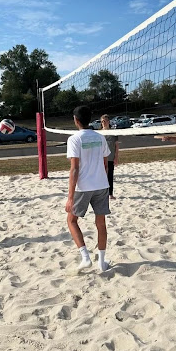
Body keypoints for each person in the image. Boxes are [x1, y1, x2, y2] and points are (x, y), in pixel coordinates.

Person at [65, 105, 111, 272]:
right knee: (101, 223)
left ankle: (85, 258)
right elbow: (105, 164)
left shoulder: (74, 139)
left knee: (71, 220)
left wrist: (70, 197)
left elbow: (74, 169)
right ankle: (102, 262)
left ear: (76, 120)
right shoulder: (100, 137)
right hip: (101, 185)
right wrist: (101, 178)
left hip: (83, 186)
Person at [100, 114, 119, 200]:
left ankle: (110, 194)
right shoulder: (99, 133)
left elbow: (116, 146)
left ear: (108, 122)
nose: (103, 123)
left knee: (110, 176)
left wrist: (116, 157)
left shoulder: (113, 133)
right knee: (102, 176)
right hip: (101, 159)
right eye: (102, 121)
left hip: (110, 158)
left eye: (105, 121)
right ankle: (102, 194)